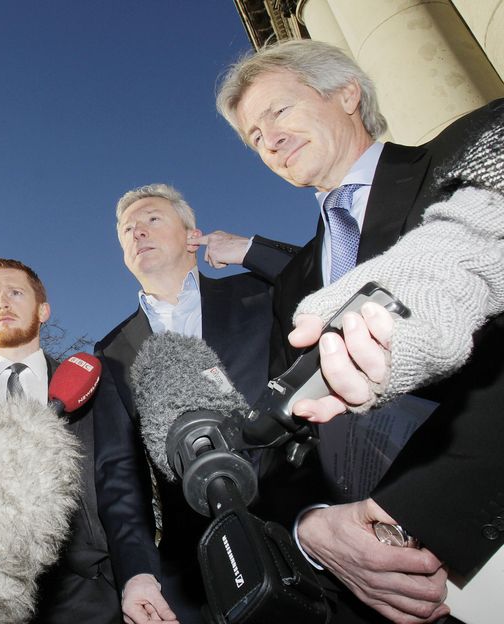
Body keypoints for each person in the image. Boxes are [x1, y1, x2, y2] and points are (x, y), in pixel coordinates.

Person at [216, 38, 504, 623]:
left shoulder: (475, 150)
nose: (268, 139)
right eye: (253, 137)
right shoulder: (295, 283)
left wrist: (412, 512)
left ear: (347, 93)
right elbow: (288, 432)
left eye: (278, 112)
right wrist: (312, 528)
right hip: (374, 594)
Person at [93, 184, 290, 623]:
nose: (137, 232)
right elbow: (120, 476)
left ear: (191, 236)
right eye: (127, 229)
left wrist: (253, 250)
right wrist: (138, 573)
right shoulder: (112, 352)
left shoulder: (259, 295)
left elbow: (335, 276)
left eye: (152, 219)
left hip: (299, 530)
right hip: (197, 570)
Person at [0, 257, 120, 624]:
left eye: (15, 292)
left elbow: (121, 482)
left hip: (85, 587)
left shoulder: (94, 387)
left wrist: (132, 575)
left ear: (43, 310)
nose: (3, 303)